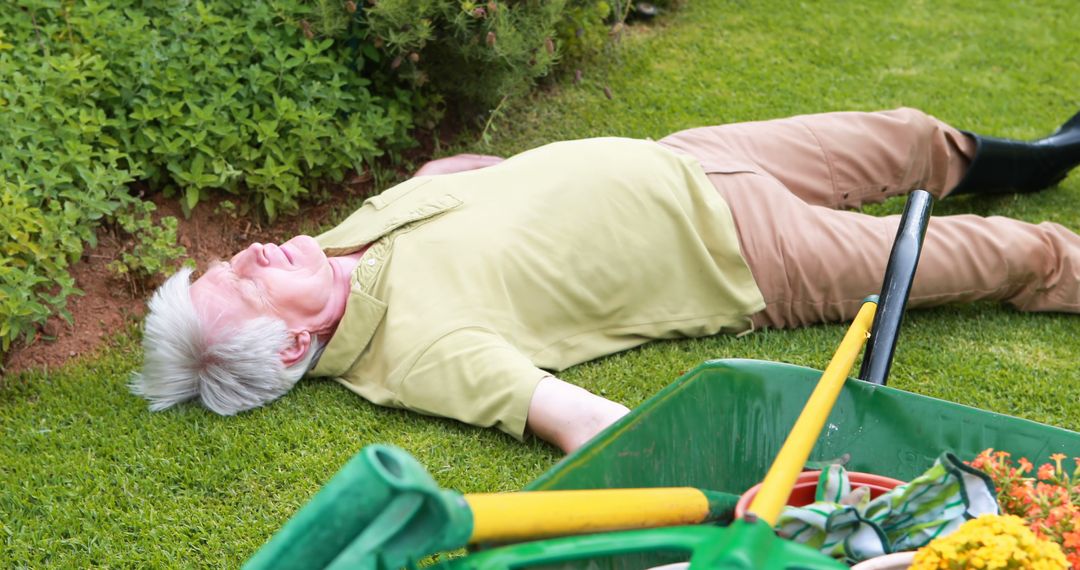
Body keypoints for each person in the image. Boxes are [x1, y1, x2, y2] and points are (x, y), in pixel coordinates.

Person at [131, 108, 1080, 453]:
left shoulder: (325, 254)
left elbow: (440, 185)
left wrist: (486, 180)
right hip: (747, 256)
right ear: (295, 345)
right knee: (1007, 257)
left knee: (910, 137)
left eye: (226, 264)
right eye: (245, 285)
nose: (251, 256)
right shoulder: (417, 357)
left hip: (692, 157)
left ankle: (1041, 155)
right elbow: (577, 419)